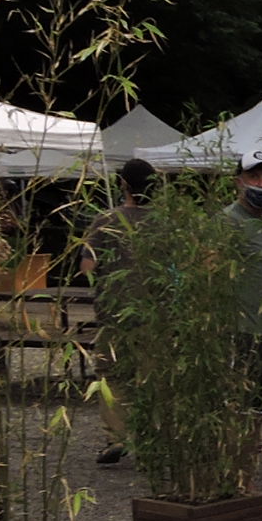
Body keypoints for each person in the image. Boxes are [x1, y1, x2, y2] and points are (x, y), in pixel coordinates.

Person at [220, 155, 262, 504]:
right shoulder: (227, 223)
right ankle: (231, 485)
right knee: (237, 411)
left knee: (259, 413)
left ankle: (246, 484)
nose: (261, 184)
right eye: (254, 176)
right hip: (239, 330)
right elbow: (208, 275)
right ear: (238, 180)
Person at [87, 157, 156, 466]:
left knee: (113, 378)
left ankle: (117, 436)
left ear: (123, 184)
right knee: (151, 377)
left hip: (113, 314)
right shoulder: (166, 223)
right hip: (155, 315)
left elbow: (87, 267)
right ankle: (154, 437)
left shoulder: (105, 221)